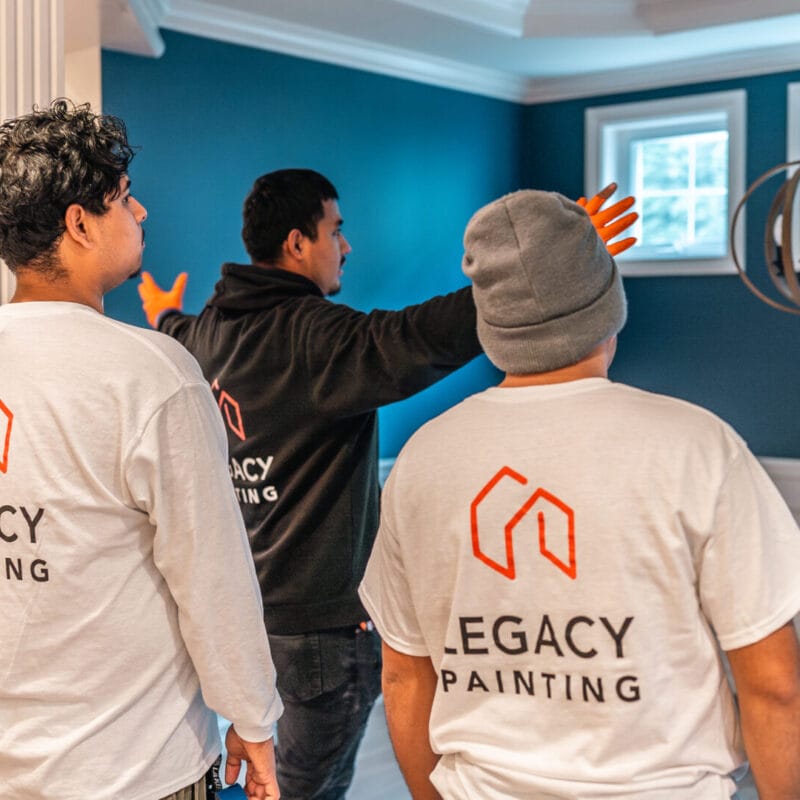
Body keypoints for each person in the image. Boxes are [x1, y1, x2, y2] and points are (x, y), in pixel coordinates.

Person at [138, 169, 635, 800]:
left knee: (264, 780)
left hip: (239, 617)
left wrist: (164, 312)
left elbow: (175, 331)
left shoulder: (205, 334)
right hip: (321, 632)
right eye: (335, 230)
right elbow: (422, 335)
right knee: (302, 790)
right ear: (297, 244)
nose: (344, 246)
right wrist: (555, 260)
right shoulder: (314, 339)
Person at [359, 189, 800, 799]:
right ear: (607, 309)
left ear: (493, 328)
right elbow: (774, 684)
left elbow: (404, 676)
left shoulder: (423, 458)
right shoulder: (696, 446)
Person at [0, 100, 282, 800]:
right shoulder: (150, 373)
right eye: (124, 199)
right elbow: (211, 573)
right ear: (79, 224)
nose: (143, 213)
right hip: (130, 768)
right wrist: (252, 716)